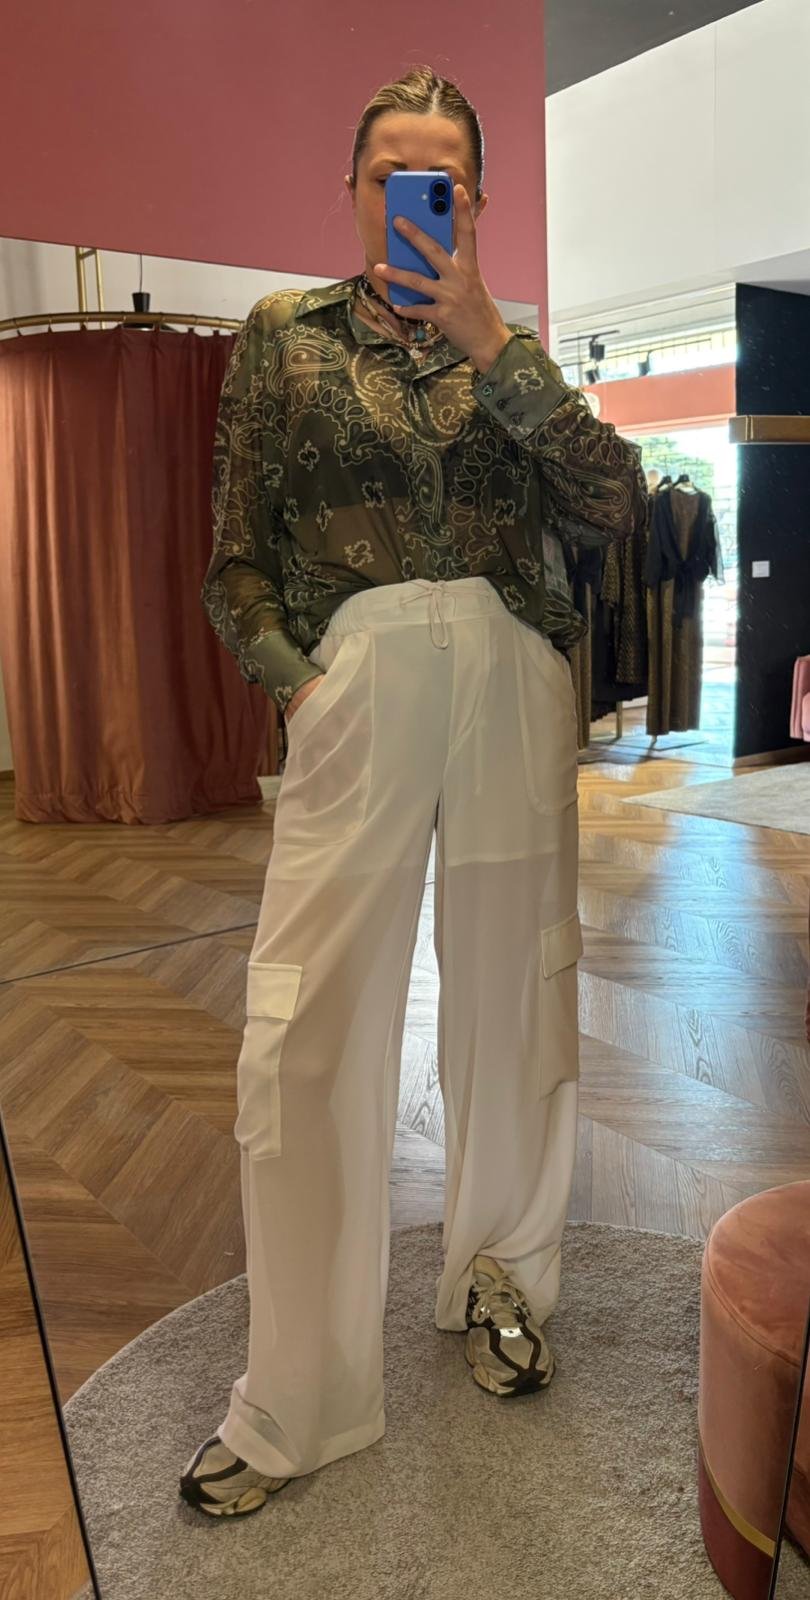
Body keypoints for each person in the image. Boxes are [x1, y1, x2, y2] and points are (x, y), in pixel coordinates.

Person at [180, 64, 648, 1518]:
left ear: (477, 199)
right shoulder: (282, 336)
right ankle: (298, 1390)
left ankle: (502, 1277)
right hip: (358, 689)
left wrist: (493, 341)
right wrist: (303, 686)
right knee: (305, 1025)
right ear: (353, 188)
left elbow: (616, 500)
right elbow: (234, 557)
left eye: (440, 175)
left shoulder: (513, 349)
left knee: (518, 995)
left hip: (511, 684)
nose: (414, 193)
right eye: (391, 171)